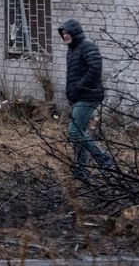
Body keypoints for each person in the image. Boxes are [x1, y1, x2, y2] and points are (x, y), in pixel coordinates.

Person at [57, 19, 113, 181]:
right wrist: (71, 93)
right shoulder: (72, 49)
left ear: (75, 32)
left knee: (74, 131)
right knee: (79, 133)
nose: (65, 36)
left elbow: (95, 68)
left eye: (67, 33)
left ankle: (103, 159)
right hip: (79, 96)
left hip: (89, 95)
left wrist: (78, 88)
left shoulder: (87, 45)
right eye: (63, 34)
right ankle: (82, 169)